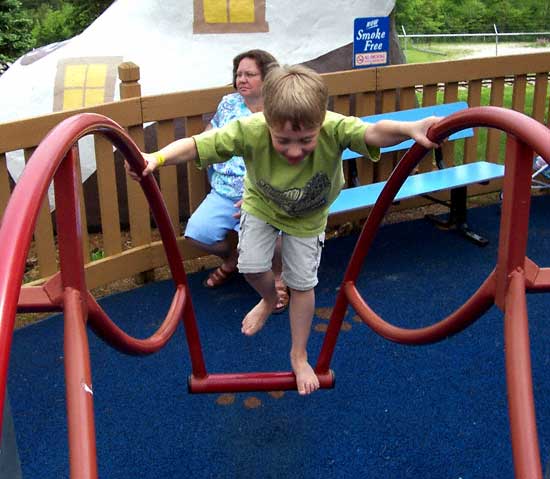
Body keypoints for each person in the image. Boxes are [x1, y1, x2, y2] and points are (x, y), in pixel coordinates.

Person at [127, 64, 440, 395]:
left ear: (320, 121)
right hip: (262, 205)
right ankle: (267, 298)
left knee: (303, 285)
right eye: (283, 140)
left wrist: (410, 128)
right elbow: (198, 144)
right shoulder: (249, 129)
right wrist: (157, 159)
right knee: (250, 266)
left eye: (306, 140)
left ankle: (299, 354)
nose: (295, 151)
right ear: (267, 122)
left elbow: (374, 132)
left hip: (308, 216)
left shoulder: (334, 127)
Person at [185, 49, 287, 314]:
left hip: (265, 194)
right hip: (224, 192)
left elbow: (290, 158)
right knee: (198, 233)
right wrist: (200, 147)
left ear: (267, 78)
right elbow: (209, 135)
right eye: (238, 74)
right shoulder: (229, 104)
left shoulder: (281, 110)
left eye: (249, 74)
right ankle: (233, 256)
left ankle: (277, 278)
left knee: (272, 239)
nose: (241, 79)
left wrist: (262, 195)